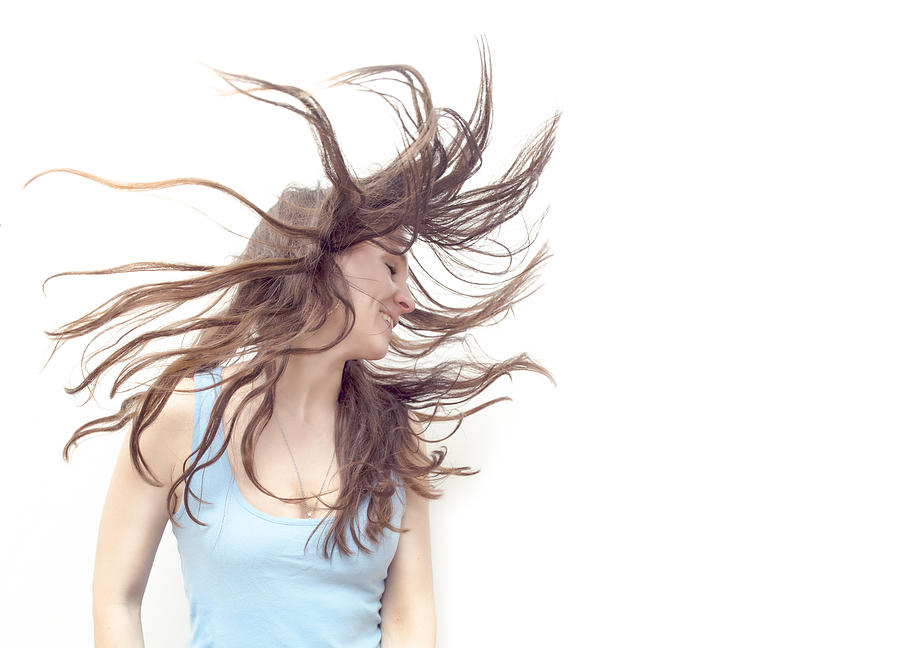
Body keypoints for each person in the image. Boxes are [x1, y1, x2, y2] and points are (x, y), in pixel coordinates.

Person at [34, 39, 559, 647]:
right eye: (390, 268)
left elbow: (412, 619)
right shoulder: (179, 415)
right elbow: (116, 600)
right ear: (319, 266)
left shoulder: (395, 432)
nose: (406, 298)